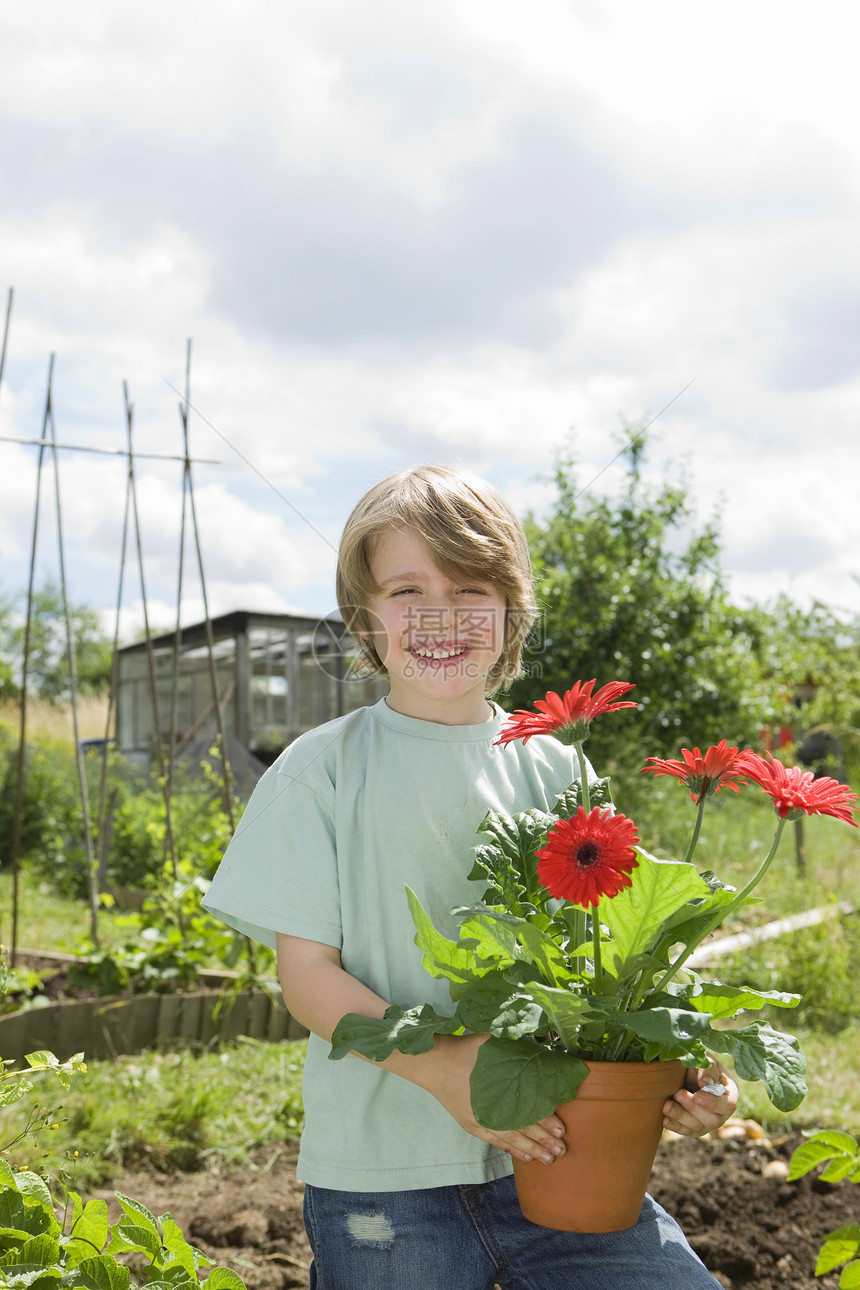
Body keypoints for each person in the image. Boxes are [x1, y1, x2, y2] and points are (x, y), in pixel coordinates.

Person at [203, 465, 737, 1289]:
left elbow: (623, 962)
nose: (441, 616)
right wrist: (446, 1068)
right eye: (408, 590)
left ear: (512, 610)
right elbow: (309, 980)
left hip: (566, 1147)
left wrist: (684, 1060)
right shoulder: (323, 771)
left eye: (469, 588)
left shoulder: (561, 769)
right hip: (385, 1179)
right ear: (364, 617)